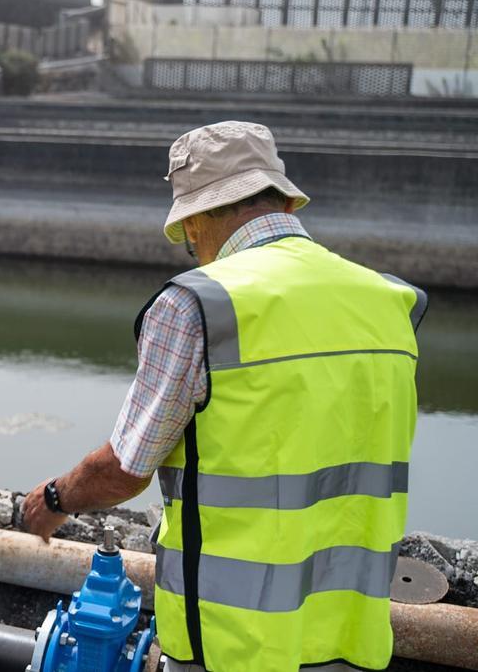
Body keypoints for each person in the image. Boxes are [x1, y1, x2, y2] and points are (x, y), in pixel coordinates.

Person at [21, 121, 425, 672]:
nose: (192, 250)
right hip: (351, 634)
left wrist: (52, 500)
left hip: (235, 643)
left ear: (195, 217)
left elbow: (125, 468)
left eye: (187, 234)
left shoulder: (199, 305)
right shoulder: (388, 300)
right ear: (283, 197)